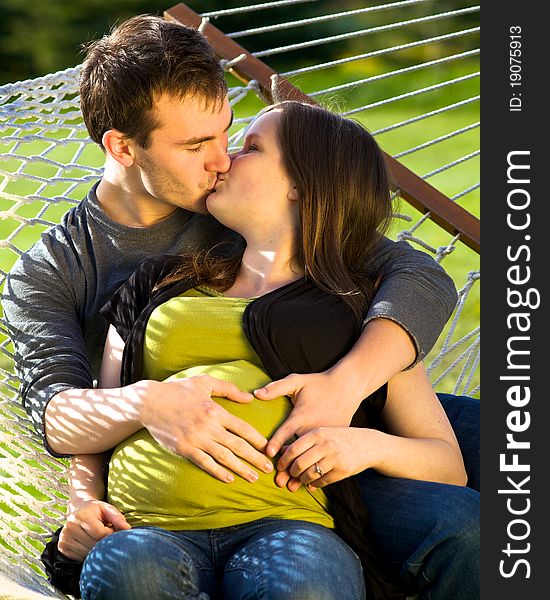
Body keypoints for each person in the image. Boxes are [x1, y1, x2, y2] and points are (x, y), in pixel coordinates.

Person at [0, 13, 478, 600]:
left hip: (337, 424)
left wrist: (347, 386)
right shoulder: (53, 272)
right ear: (122, 147)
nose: (221, 159)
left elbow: (418, 275)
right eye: (196, 144)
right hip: (179, 474)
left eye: (227, 133)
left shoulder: (246, 204)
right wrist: (146, 406)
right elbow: (56, 412)